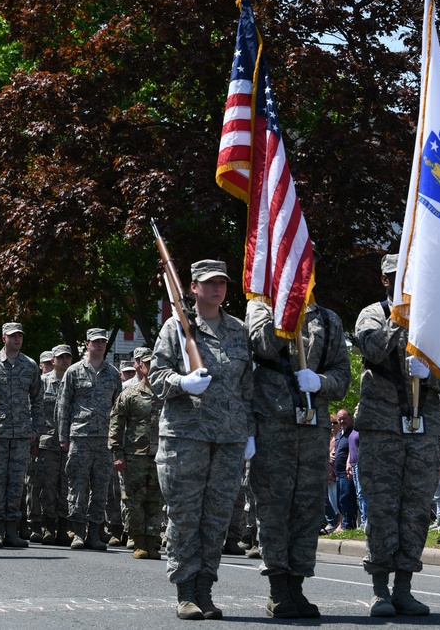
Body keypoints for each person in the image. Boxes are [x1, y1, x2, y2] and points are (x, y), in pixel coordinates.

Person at [149, 259, 253, 621]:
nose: (217, 289)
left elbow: (246, 386)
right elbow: (156, 376)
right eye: (209, 283)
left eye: (222, 283)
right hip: (185, 437)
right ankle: (185, 591)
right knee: (185, 516)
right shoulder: (176, 327)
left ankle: (206, 590)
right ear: (192, 287)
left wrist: (249, 431)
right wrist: (182, 382)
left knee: (217, 518)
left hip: (228, 439)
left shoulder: (239, 330)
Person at [354, 252, 440, 617]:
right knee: (381, 509)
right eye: (396, 279)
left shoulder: (433, 321)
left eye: (409, 278)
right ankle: (380, 589)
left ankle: (404, 587)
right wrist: (400, 319)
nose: (404, 285)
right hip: (382, 427)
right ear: (384, 280)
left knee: (416, 511)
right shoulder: (372, 314)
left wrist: (431, 373)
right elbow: (373, 350)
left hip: (423, 427)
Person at [246, 295, 351, 619]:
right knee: (275, 508)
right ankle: (278, 589)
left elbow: (342, 378)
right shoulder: (261, 307)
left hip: (313, 429)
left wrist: (320, 381)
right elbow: (261, 345)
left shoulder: (329, 319)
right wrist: (287, 313)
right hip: (272, 425)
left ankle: (297, 585)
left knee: (307, 511)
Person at [57, 327, 123, 551]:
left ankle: (94, 532)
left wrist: (116, 441)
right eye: (95, 341)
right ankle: (77, 532)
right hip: (80, 437)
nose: (100, 345)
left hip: (104, 440)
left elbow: (118, 410)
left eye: (103, 341)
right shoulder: (74, 372)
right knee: (77, 485)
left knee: (101, 487)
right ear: (87, 344)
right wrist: (63, 436)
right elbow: (63, 405)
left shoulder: (113, 374)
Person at [0, 322, 41, 548]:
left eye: (20, 336)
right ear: (3, 338)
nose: (17, 340)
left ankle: (12, 529)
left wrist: (35, 429)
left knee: (17, 483)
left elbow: (37, 400)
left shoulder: (30, 365)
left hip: (22, 434)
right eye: (13, 336)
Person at [109, 349, 164, 560]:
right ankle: (138, 542)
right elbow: (116, 424)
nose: (153, 368)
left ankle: (152, 542)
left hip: (160, 456)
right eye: (149, 364)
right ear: (141, 367)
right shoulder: (129, 395)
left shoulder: (166, 394)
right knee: (134, 501)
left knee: (155, 501)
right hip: (135, 455)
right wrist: (117, 453)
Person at [35, 345, 73, 545]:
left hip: (69, 442)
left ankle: (64, 528)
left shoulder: (75, 381)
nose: (65, 360)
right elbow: (35, 411)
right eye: (61, 357)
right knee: (47, 487)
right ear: (53, 360)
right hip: (48, 442)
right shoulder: (42, 382)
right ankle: (48, 526)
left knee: (66, 487)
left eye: (68, 357)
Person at [332, 410, 356, 531]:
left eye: (344, 418)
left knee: (347, 499)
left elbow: (353, 449)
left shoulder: (353, 432)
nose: (342, 421)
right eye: (339, 419)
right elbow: (336, 449)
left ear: (350, 418)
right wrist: (331, 454)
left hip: (347, 473)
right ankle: (344, 524)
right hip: (338, 473)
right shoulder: (339, 434)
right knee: (340, 500)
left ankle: (349, 525)